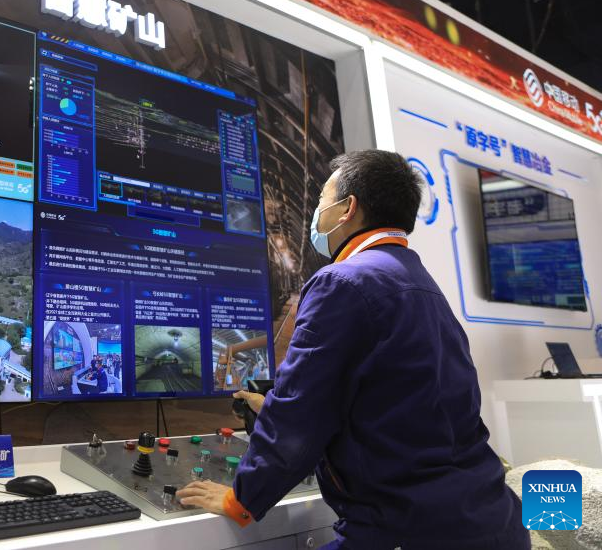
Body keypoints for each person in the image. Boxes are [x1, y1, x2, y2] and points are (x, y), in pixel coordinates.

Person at [177, 150, 529, 549]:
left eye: (322, 199)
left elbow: (301, 411)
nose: (315, 213)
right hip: (486, 519)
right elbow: (395, 401)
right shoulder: (420, 282)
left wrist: (241, 498)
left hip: (410, 529)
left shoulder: (342, 282)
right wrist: (271, 407)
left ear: (347, 209)